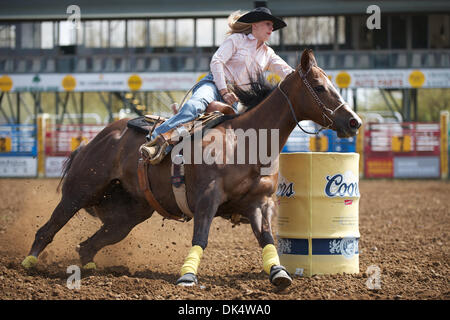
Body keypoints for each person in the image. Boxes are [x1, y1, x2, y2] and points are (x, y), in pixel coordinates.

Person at [141, 6, 294, 163]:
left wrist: (307, 75)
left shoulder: (268, 54)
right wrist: (224, 90)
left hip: (234, 100)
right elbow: (217, 61)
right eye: (268, 23)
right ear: (255, 25)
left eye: (272, 25)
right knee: (195, 106)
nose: (272, 27)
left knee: (232, 135)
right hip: (214, 85)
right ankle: (154, 139)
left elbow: (288, 72)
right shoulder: (236, 39)